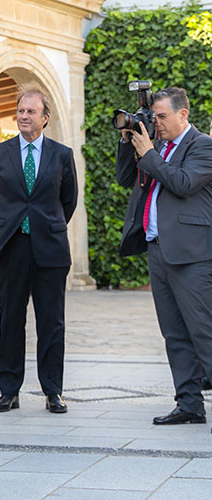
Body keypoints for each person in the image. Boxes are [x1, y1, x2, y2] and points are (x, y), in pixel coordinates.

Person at [116, 87, 212, 427]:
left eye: (162, 117)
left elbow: (183, 183)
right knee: (174, 333)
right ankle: (189, 404)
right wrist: (130, 142)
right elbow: (125, 178)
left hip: (192, 255)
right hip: (158, 249)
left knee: (204, 331)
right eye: (153, 117)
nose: (156, 124)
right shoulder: (155, 147)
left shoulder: (202, 146)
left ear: (183, 115)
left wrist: (150, 153)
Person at [0, 84, 78, 414]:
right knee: (10, 319)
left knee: (51, 322)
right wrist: (14, 225)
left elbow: (68, 201)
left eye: (31, 111)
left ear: (45, 118)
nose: (24, 116)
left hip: (50, 248)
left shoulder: (62, 155)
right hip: (12, 247)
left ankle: (53, 390)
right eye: (21, 111)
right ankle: (8, 389)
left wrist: (44, 224)